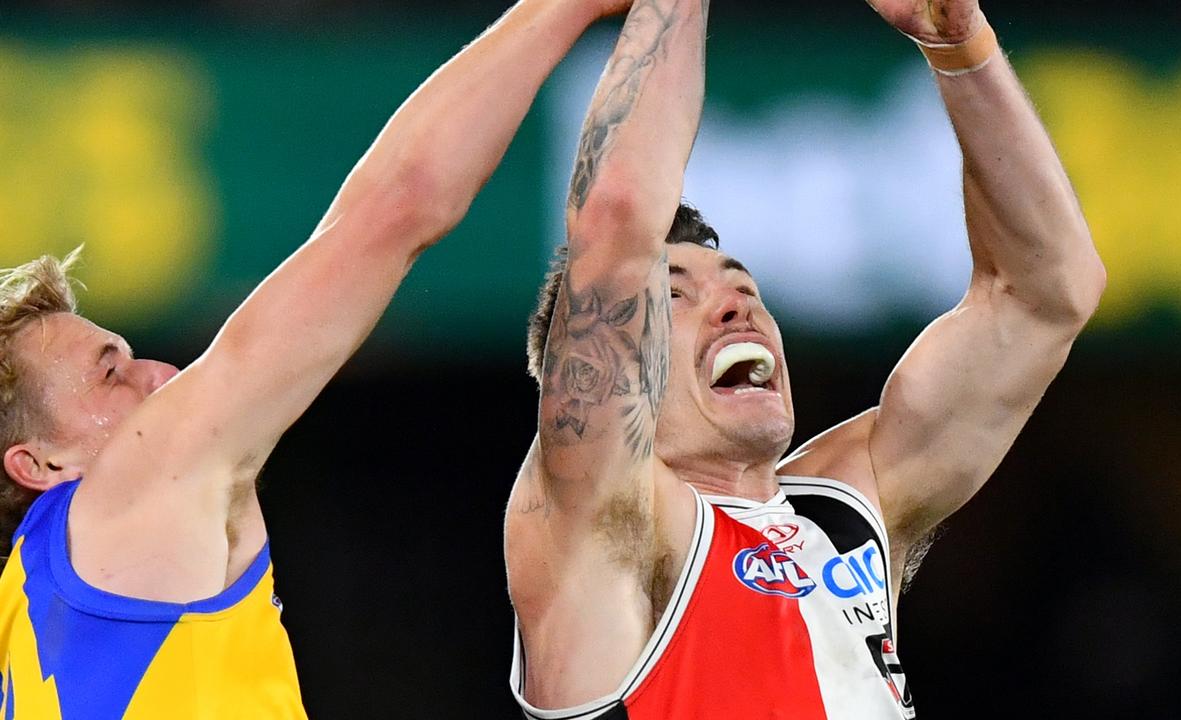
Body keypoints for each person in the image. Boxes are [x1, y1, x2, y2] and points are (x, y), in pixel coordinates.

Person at [0, 1, 630, 716]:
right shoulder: (133, 493)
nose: (162, 375)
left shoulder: (25, 621)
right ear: (42, 463)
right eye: (110, 374)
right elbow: (398, 208)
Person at [506, 0, 1106, 717]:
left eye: (743, 286)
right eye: (676, 296)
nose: (735, 306)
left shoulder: (850, 503)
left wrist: (961, 48)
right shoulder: (603, 522)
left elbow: (1045, 294)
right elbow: (613, 225)